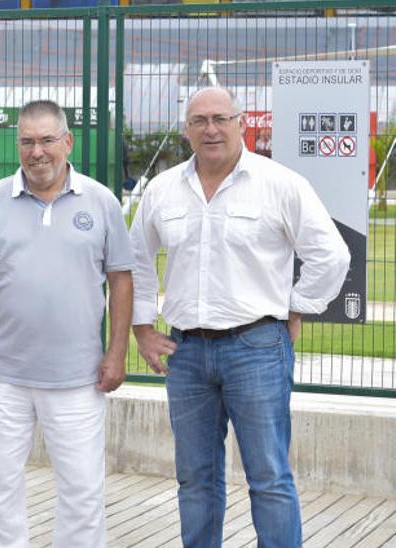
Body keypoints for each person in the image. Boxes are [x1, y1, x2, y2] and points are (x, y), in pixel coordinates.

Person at [129, 87, 349, 547]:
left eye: (220, 118)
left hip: (257, 349)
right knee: (195, 479)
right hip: (185, 352)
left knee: (268, 477)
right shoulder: (163, 189)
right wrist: (143, 328)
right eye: (199, 121)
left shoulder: (281, 184)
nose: (211, 129)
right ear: (186, 130)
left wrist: (298, 306)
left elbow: (331, 256)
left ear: (241, 123)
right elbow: (136, 261)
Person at [0, 100, 133, 547]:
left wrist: (116, 352)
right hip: (2, 378)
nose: (37, 152)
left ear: (67, 142)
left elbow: (122, 281)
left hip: (79, 379)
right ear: (18, 145)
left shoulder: (102, 201)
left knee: (82, 491)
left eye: (47, 140)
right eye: (28, 141)